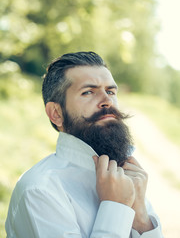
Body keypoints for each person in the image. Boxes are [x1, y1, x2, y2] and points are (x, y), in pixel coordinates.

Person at [6, 51, 163, 238]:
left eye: (110, 91)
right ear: (56, 113)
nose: (107, 101)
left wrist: (140, 217)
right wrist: (116, 208)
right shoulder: (39, 190)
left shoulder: (128, 176)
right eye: (88, 92)